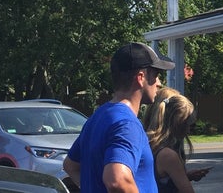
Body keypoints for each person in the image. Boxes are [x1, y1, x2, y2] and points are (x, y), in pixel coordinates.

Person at [63, 42, 175, 192]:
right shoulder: (127, 124)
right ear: (141, 78)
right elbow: (117, 180)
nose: (159, 83)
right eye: (155, 75)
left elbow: (71, 166)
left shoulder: (99, 116)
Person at [143, 87, 211, 193]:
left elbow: (159, 180)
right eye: (189, 125)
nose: (189, 130)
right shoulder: (168, 155)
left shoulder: (148, 143)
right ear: (178, 124)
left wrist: (185, 176)